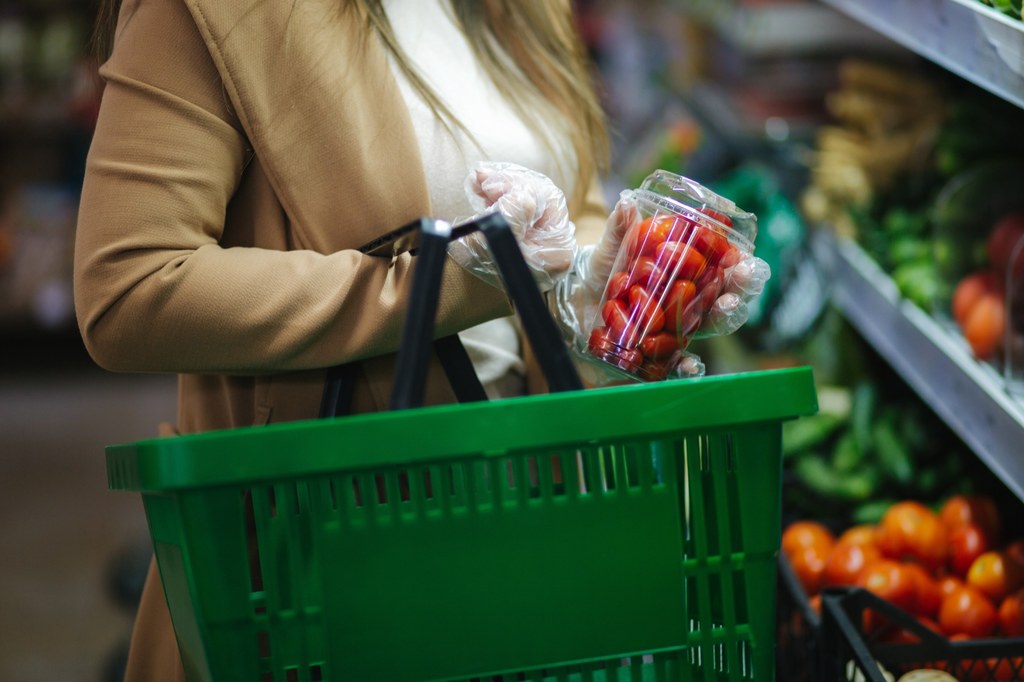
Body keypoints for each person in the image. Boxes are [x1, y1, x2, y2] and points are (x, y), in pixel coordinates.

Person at [75, 0, 763, 678]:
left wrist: (603, 300)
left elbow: (560, 215)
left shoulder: (522, 10)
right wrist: (445, 285)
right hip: (327, 553)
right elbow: (131, 288)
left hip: (530, 524)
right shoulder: (214, 14)